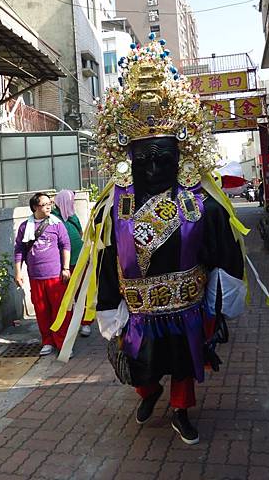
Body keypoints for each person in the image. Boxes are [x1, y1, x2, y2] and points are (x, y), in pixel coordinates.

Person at [52, 35, 252, 444]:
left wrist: (223, 297)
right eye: (145, 158)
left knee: (183, 362)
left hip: (187, 306)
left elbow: (223, 254)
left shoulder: (201, 204)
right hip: (139, 309)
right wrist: (108, 307)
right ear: (130, 158)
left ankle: (180, 409)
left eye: (164, 155)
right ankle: (149, 392)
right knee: (139, 365)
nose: (156, 164)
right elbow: (107, 261)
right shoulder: (113, 208)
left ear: (179, 153)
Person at [14, 192, 71, 355]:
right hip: (35, 276)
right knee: (41, 310)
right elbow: (19, 250)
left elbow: (65, 245)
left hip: (55, 276)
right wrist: (18, 272)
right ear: (35, 207)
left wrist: (65, 268)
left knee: (59, 310)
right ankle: (47, 341)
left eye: (50, 203)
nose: (49, 206)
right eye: (45, 204)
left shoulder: (56, 224)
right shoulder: (25, 227)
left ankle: (62, 343)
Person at [52, 190, 92, 337]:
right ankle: (67, 323)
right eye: (71, 201)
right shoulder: (53, 218)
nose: (72, 203)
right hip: (63, 263)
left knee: (83, 292)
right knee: (66, 294)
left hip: (79, 260)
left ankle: (85, 323)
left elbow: (81, 234)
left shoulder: (72, 216)